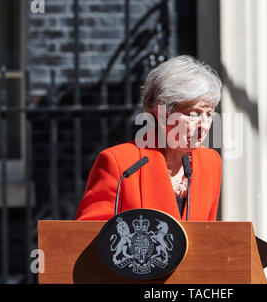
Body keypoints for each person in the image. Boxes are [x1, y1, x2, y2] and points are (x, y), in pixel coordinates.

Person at [75, 55, 222, 221]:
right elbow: (89, 234)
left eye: (209, 114)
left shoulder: (211, 162)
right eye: (194, 114)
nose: (204, 125)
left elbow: (210, 236)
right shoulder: (120, 163)